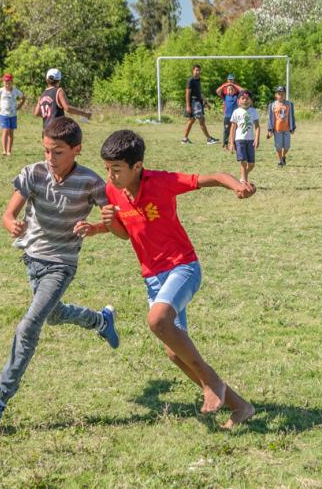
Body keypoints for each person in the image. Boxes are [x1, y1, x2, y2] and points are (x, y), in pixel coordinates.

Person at [81, 129, 256, 429]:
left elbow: (210, 177)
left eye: (117, 170)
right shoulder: (113, 192)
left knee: (157, 321)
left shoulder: (160, 182)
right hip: (152, 277)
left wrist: (237, 186)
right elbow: (125, 234)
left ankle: (211, 383)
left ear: (138, 167)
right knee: (175, 352)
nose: (110, 176)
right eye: (107, 169)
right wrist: (104, 226)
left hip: (183, 267)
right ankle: (240, 406)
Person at [0, 117, 119, 431]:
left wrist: (94, 228)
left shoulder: (92, 182)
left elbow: (117, 223)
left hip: (62, 263)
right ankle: (100, 320)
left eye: (59, 152)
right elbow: (8, 213)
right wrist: (11, 223)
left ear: (77, 150)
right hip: (32, 258)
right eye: (47, 150)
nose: (51, 158)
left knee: (30, 324)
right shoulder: (33, 173)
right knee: (53, 314)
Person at [182, 64, 218, 145]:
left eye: (199, 70)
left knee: (191, 120)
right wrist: (188, 106)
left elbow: (200, 93)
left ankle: (185, 139)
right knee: (201, 120)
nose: (198, 72)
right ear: (193, 71)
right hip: (194, 103)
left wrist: (206, 103)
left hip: (198, 102)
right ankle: (209, 139)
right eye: (196, 70)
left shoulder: (198, 80)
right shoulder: (190, 80)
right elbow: (187, 93)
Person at [228, 91, 260, 184]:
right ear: (238, 101)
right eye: (243, 98)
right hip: (240, 140)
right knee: (243, 161)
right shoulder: (236, 112)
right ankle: (244, 182)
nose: (245, 100)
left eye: (247, 98)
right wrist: (231, 142)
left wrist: (257, 139)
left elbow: (257, 126)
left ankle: (243, 175)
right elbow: (233, 127)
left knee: (251, 164)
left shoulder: (253, 111)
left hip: (250, 140)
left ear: (251, 100)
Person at [0, 73, 25, 156]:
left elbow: (23, 98)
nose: (7, 84)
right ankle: (4, 151)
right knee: (5, 131)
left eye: (9, 82)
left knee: (11, 133)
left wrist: (19, 106)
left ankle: (9, 151)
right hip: (3, 114)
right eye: (5, 82)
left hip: (13, 114)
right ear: (3, 82)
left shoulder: (15, 91)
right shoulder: (0, 90)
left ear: (12, 82)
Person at [266, 85, 296, 167]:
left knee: (287, 146)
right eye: (279, 93)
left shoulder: (289, 104)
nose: (281, 95)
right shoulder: (272, 105)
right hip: (277, 129)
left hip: (286, 129)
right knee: (278, 147)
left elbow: (292, 116)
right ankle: (280, 161)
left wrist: (293, 127)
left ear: (285, 94)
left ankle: (283, 156)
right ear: (276, 95)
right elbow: (270, 118)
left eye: (282, 93)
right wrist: (270, 130)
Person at [215, 73, 245, 150]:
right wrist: (225, 85)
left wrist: (233, 85)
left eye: (232, 90)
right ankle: (225, 144)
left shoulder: (236, 96)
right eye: (229, 89)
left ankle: (234, 144)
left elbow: (243, 90)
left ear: (234, 90)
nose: (230, 91)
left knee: (235, 130)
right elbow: (217, 91)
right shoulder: (225, 96)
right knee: (226, 130)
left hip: (235, 117)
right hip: (227, 116)